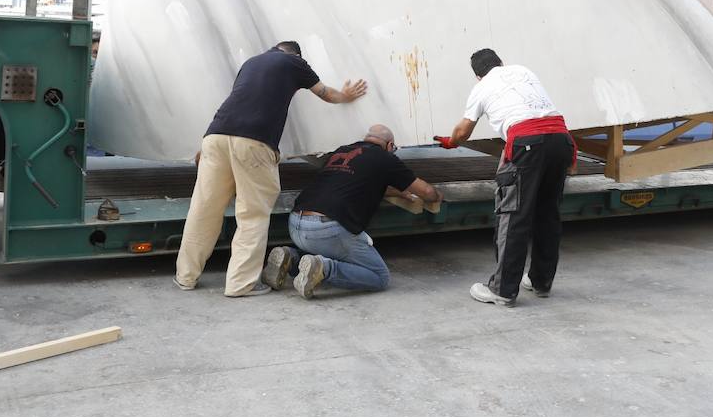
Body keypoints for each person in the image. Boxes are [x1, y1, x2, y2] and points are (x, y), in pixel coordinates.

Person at [174, 41, 367, 296]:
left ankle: (185, 276)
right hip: (254, 142)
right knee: (252, 214)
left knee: (204, 209)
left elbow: (238, 102)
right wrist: (347, 95)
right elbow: (325, 93)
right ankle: (241, 284)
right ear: (295, 54)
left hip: (215, 137)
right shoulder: (295, 62)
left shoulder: (250, 63)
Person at [436, 48, 576, 306]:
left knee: (513, 216)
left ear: (478, 75)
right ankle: (540, 281)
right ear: (502, 63)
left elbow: (463, 130)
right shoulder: (523, 71)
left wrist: (450, 142)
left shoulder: (481, 87)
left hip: (527, 143)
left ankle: (503, 290)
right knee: (548, 213)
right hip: (561, 140)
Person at [263, 124, 441, 298]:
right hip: (326, 229)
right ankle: (324, 269)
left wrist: (400, 192)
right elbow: (426, 191)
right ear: (389, 145)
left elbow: (360, 181)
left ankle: (291, 258)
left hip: (296, 224)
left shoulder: (342, 151)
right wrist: (436, 196)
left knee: (333, 250)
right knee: (379, 276)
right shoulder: (384, 158)